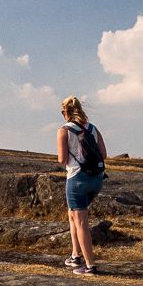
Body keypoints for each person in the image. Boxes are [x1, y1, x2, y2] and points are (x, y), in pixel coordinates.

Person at [56, 95, 107, 275]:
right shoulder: (93, 129)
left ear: (65, 112)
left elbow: (62, 160)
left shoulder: (63, 130)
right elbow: (104, 154)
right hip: (96, 179)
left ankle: (90, 265)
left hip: (77, 179)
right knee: (73, 215)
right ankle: (75, 255)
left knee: (81, 222)